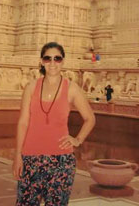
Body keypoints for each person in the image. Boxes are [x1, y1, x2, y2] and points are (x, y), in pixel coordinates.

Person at [13, 42, 95, 206]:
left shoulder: (71, 88)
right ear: (42, 61)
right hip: (30, 158)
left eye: (57, 59)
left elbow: (90, 118)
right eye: (48, 58)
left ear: (62, 61)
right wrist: (17, 155)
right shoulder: (31, 87)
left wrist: (77, 140)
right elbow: (23, 123)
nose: (52, 63)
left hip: (61, 161)